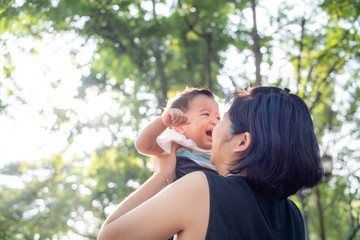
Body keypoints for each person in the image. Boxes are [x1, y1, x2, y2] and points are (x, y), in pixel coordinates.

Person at [97, 86, 323, 240]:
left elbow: (109, 237)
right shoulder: (293, 216)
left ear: (241, 142)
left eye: (223, 119)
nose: (215, 123)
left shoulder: (203, 188)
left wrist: (163, 175)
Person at [135, 87, 220, 180]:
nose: (215, 122)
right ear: (180, 127)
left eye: (218, 118)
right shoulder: (176, 143)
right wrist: (162, 122)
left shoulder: (219, 153)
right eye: (206, 114)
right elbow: (143, 146)